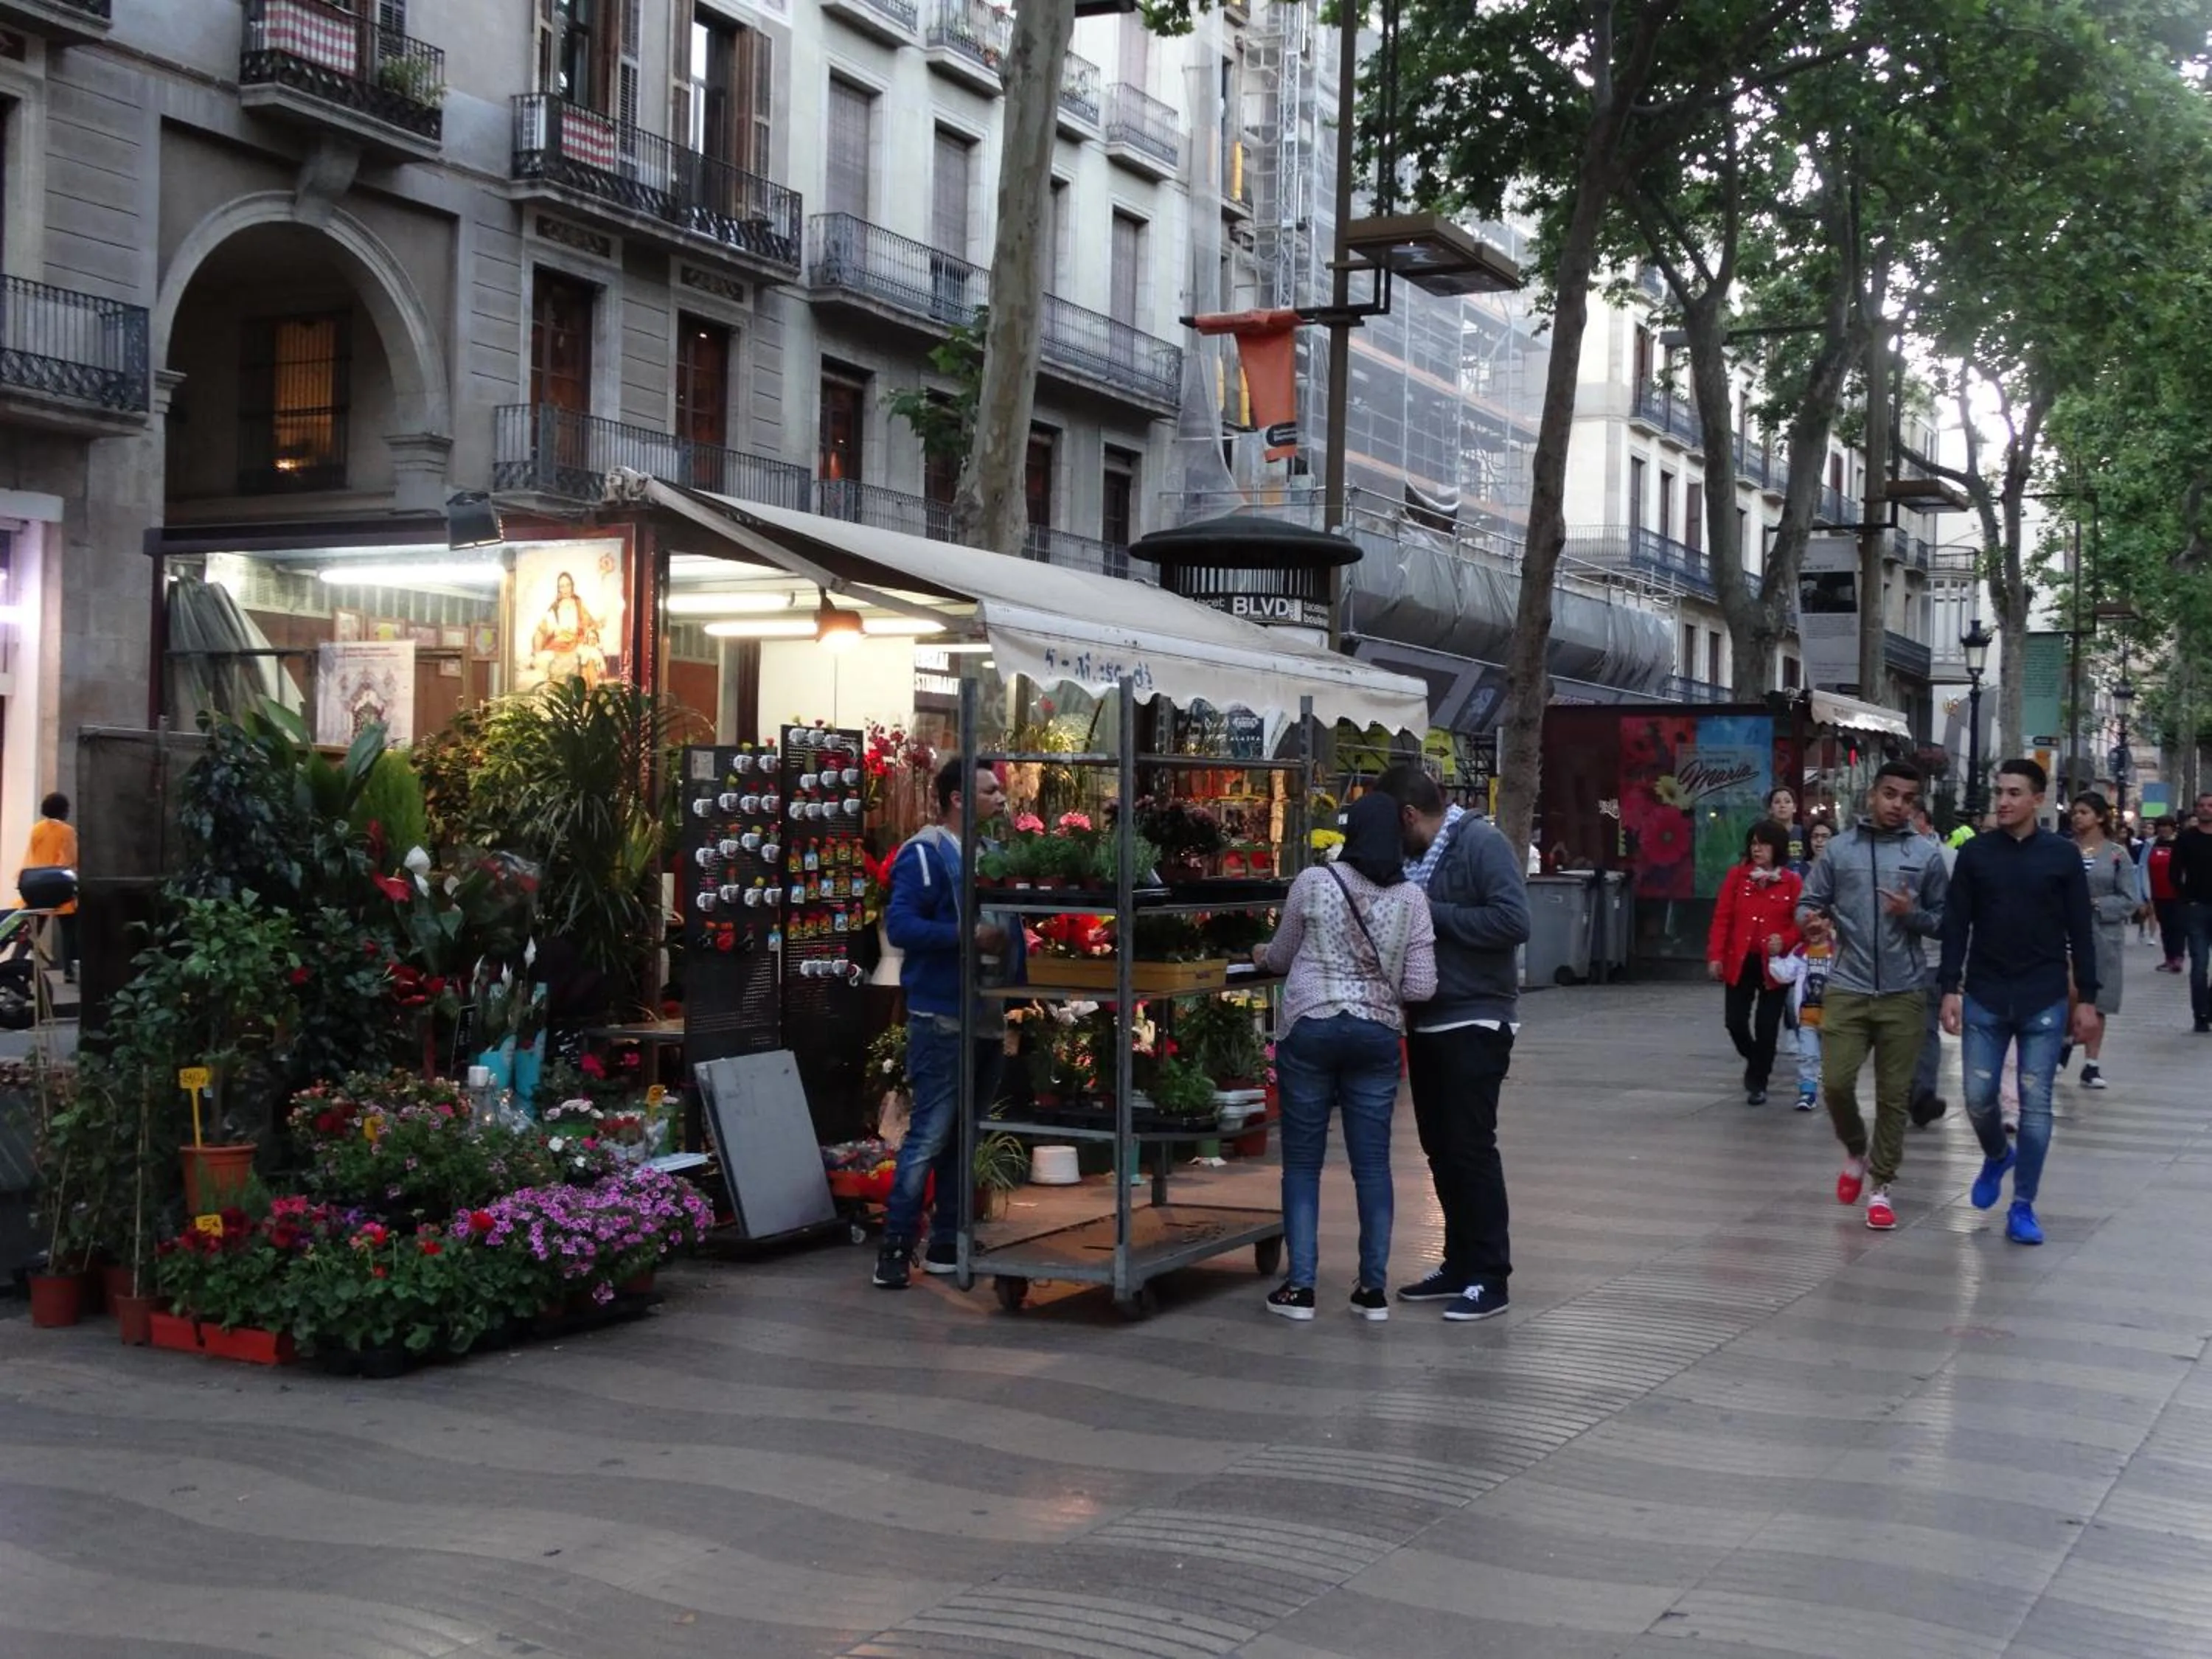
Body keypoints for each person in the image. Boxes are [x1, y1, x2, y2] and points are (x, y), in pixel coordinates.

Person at [1252, 793, 1437, 1322]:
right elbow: (1422, 987)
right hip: (1376, 1034)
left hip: (1311, 1026)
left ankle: (1301, 1289)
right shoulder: (1412, 899)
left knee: (1303, 1163)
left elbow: (1281, 956)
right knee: (1372, 1165)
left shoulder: (1315, 882)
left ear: (1351, 832)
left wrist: (1260, 955)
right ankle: (1372, 1291)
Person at [1373, 764, 1531, 1324]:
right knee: (1440, 1148)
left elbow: (1513, 922)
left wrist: (1428, 914)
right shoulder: (1414, 859)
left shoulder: (1481, 844)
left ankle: (1490, 1274)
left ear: (1409, 815)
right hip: (1426, 1020)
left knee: (1470, 1147)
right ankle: (1459, 1263)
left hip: (1476, 1019)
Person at [874, 757, 1023, 1289]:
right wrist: (967, 936)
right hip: (941, 1016)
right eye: (990, 790)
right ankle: (894, 1249)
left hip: (986, 1014)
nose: (1001, 798)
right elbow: (901, 926)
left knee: (966, 1136)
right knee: (929, 1136)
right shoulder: (926, 853)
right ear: (958, 798)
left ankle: (947, 1244)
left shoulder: (990, 854)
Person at [1940, 758, 2101, 1245]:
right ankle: (1996, 1156)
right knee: (1977, 1097)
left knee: (2036, 1106)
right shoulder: (1975, 854)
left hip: (2043, 997)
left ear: (2037, 799)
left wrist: (2087, 998)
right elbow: (1956, 924)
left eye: (2014, 793)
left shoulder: (2062, 856)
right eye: (2000, 792)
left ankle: (2023, 1206)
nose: (2004, 801)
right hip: (1985, 993)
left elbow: (2081, 930)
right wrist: (1949, 987)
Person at [1795, 759, 1948, 1231]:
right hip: (1848, 985)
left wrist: (1912, 914)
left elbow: (1946, 920)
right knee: (1836, 1084)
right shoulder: (1840, 850)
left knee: (1894, 1096)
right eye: (1890, 794)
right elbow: (1808, 902)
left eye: (1908, 799)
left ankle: (1881, 1187)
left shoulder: (1925, 855)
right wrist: (1810, 922)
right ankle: (1856, 1149)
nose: (1898, 805)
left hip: (1905, 990)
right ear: (1872, 795)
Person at [1705, 819, 1802, 1104]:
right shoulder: (1737, 877)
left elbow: (1800, 924)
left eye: (1764, 844)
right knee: (1734, 1021)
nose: (1757, 849)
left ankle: (1758, 1081)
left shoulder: (1792, 881)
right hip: (1741, 960)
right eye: (1754, 844)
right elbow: (1722, 918)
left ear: (1777, 848)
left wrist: (1784, 940)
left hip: (1774, 966)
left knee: (1767, 1027)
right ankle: (1756, 1058)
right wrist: (1715, 956)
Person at [2067, 791, 2137, 1090]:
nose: (2076, 817)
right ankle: (2066, 1040)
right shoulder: (2063, 850)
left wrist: (2097, 904)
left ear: (2099, 817)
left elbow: (2130, 899)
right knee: (2069, 992)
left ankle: (2091, 1064)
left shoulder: (2117, 855)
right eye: (2074, 812)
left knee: (2098, 1000)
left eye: (2083, 812)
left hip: (2103, 936)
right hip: (2065, 934)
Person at [1907, 802, 1951, 1127]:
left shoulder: (1949, 859)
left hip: (1931, 959)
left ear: (1923, 821)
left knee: (1925, 1029)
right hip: (1893, 959)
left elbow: (1957, 916)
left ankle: (1922, 1094)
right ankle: (1909, 1092)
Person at [1767, 911, 1834, 1111]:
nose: (1813, 925)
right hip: (1807, 1016)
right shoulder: (1801, 951)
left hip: (1835, 1017)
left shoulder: (1839, 952)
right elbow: (1785, 974)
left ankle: (1837, 1094)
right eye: (1808, 921)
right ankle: (1807, 1092)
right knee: (1807, 1055)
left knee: (1834, 1058)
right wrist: (1774, 956)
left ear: (1830, 924)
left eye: (1818, 919)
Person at [19, 793, 78, 985]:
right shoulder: (67, 831)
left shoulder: (37, 829)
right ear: (63, 811)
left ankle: (16, 963)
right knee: (69, 930)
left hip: (36, 884)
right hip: (58, 885)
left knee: (30, 930)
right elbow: (69, 859)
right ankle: (70, 971)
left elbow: (32, 856)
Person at [531, 571, 607, 687]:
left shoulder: (579, 605)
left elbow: (590, 623)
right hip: (558, 647)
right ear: (558, 589)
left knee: (591, 656)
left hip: (576, 643)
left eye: (568, 585)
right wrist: (538, 648)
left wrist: (596, 626)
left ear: (572, 586)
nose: (565, 589)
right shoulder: (554, 608)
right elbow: (542, 629)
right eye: (562, 586)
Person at [2177, 793, 2212, 1034]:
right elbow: (2174, 872)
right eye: (2201, 805)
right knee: (2199, 965)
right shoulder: (2186, 839)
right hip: (2196, 908)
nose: (2206, 809)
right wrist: (2185, 900)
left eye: (2210, 806)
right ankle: (2200, 1014)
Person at [2147, 816, 2185, 972]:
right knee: (2165, 928)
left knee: (2178, 927)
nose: (2163, 829)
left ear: (2173, 828)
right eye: (2161, 826)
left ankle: (2178, 958)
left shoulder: (2180, 844)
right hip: (2158, 893)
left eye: (2167, 826)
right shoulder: (2151, 845)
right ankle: (2168, 958)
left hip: (2177, 894)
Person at [1767, 787, 1807, 869]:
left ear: (1795, 808)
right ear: (1770, 809)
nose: (1782, 806)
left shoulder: (1804, 834)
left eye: (1787, 802)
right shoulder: (1762, 834)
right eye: (1777, 802)